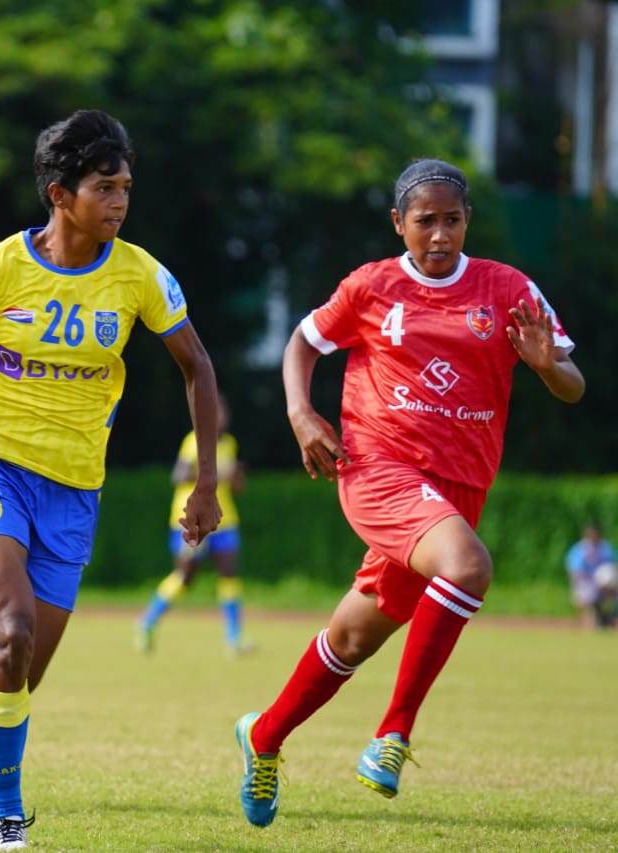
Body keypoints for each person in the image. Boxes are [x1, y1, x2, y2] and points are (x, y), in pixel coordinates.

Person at [0, 109, 222, 851]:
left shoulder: (139, 274)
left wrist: (205, 483)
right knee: (9, 630)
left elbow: (197, 366)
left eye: (126, 187)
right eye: (105, 187)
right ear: (58, 194)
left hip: (74, 489)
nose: (119, 201)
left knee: (9, 672)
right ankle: (3, 816)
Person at [234, 158, 585, 828]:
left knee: (352, 637)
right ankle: (393, 732)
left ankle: (264, 735)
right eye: (426, 221)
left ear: (467, 220)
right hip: (377, 467)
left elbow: (574, 385)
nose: (440, 234)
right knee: (469, 566)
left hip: (457, 488)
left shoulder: (507, 288)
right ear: (399, 223)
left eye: (452, 220)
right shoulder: (372, 285)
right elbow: (303, 342)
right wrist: (301, 414)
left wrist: (548, 367)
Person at [136, 394, 249, 654]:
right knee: (185, 576)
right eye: (216, 412)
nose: (221, 417)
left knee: (229, 574)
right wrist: (217, 473)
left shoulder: (230, 443)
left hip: (224, 519)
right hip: (191, 520)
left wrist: (236, 477)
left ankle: (234, 638)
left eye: (224, 412)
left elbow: (233, 485)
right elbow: (179, 475)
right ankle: (148, 620)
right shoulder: (194, 440)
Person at [564, 523, 617, 629]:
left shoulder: (605, 548)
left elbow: (614, 566)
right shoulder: (580, 549)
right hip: (586, 582)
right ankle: (592, 620)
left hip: (605, 585)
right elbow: (575, 572)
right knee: (589, 594)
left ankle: (608, 618)